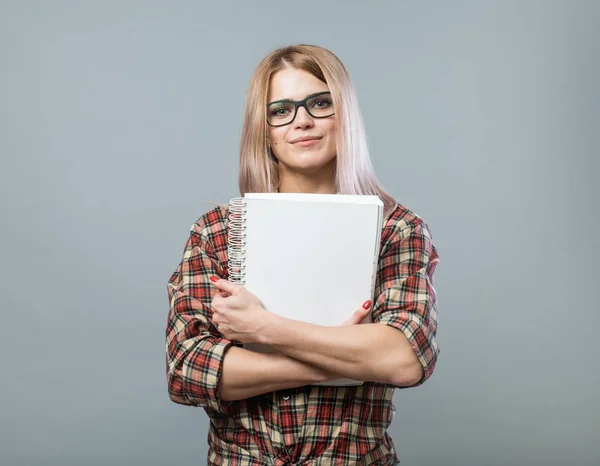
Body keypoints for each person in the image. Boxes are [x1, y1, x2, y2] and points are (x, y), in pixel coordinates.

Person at [165, 44, 440, 465]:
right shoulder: (217, 231)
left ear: (344, 114)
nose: (303, 121)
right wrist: (347, 360)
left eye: (320, 103)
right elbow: (187, 370)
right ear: (264, 130)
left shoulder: (396, 227)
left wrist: (265, 328)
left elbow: (403, 359)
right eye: (281, 110)